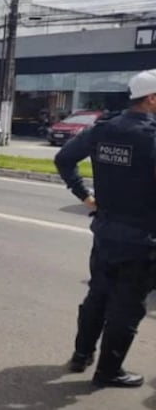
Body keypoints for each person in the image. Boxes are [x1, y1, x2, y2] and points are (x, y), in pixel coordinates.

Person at [54, 69, 156, 388]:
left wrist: (84, 195)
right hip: (142, 240)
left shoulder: (102, 129)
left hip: (106, 232)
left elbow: (63, 159)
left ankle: (81, 356)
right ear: (152, 99)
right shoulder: (151, 137)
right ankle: (109, 371)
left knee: (98, 296)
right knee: (127, 308)